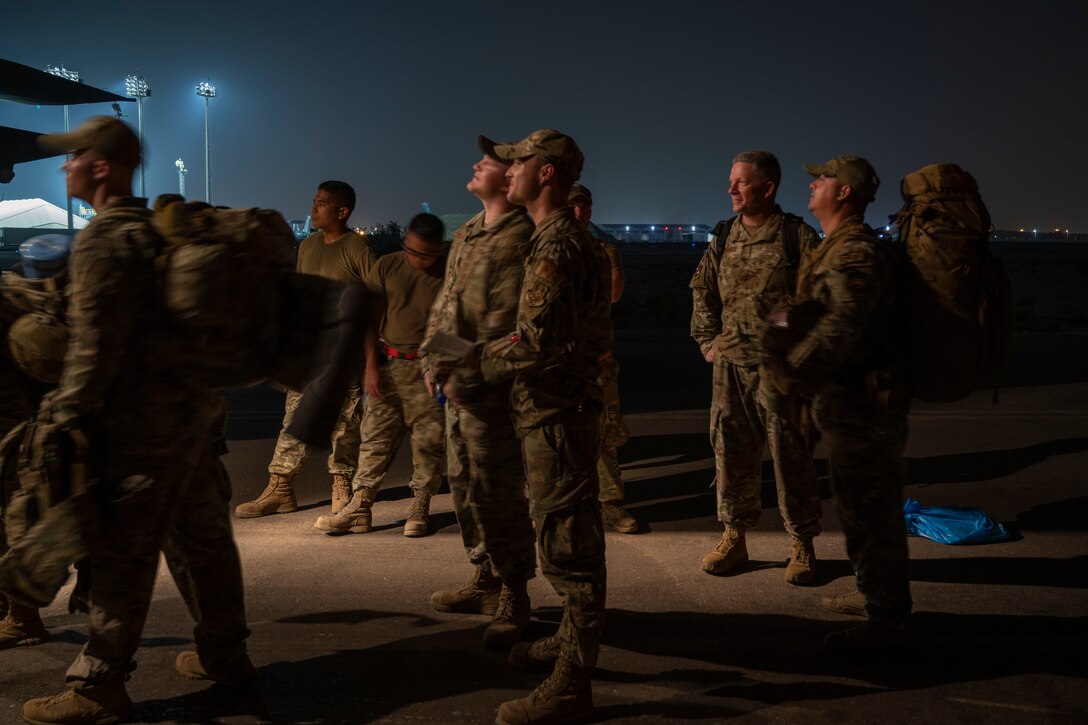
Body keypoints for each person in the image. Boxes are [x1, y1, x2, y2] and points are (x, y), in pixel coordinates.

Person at [21, 116, 252, 724]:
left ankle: (98, 687)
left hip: (139, 434)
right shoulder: (161, 233)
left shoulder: (103, 240)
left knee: (123, 554)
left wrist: (61, 416)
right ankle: (227, 659)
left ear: (100, 166)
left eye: (72, 157)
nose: (64, 166)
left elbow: (95, 351)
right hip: (193, 421)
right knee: (204, 545)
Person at [441, 129, 610, 725]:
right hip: (545, 409)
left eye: (518, 160)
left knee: (571, 550)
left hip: (557, 413)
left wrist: (471, 368)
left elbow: (535, 340)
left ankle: (572, 684)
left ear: (547, 173)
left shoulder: (556, 246)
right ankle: (567, 645)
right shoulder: (549, 238)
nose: (506, 167)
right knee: (559, 536)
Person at [762, 155, 911, 651]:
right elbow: (810, 308)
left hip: (865, 408)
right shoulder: (832, 249)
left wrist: (790, 372)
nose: (813, 185)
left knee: (871, 512)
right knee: (856, 508)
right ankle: (875, 595)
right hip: (846, 405)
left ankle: (887, 624)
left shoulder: (855, 252)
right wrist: (774, 325)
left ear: (844, 193)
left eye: (822, 179)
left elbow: (841, 326)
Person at [422, 136, 537, 649]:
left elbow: (501, 322)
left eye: (488, 163)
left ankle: (515, 591)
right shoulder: (468, 231)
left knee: (499, 492)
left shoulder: (520, 236)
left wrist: (461, 372)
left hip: (490, 391)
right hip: (456, 385)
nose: (476, 165)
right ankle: (485, 576)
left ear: (509, 178)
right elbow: (446, 308)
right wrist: (433, 357)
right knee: (464, 485)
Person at [689, 150, 824, 584]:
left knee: (790, 457)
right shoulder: (724, 235)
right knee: (730, 454)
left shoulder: (796, 237)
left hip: (779, 371)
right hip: (730, 369)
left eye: (741, 182)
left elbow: (817, 301)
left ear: (767, 188)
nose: (731, 189)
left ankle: (802, 542)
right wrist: (709, 342)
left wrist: (777, 327)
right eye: (731, 181)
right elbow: (702, 289)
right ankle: (734, 536)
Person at [235, 180, 373, 519]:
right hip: (308, 354)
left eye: (322, 203)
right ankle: (280, 489)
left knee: (345, 425)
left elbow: (373, 306)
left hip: (345, 356)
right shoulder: (308, 246)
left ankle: (341, 485)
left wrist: (372, 361)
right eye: (314, 200)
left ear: (342, 212)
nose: (314, 207)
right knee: (293, 420)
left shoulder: (358, 251)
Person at [314, 213, 447, 537]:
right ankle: (360, 506)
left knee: (428, 443)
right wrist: (371, 366)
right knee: (374, 439)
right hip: (389, 364)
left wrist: (443, 369)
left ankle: (420, 506)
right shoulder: (388, 266)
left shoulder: (450, 274)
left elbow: (459, 325)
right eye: (411, 250)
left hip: (427, 370)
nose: (416, 259)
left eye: (425, 254)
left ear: (439, 250)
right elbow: (369, 318)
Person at [568, 183, 638, 534]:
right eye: (572, 206)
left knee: (604, 435)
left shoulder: (603, 250)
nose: (579, 212)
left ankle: (610, 504)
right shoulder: (545, 250)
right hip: (558, 364)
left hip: (598, 360)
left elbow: (612, 291)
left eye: (585, 206)